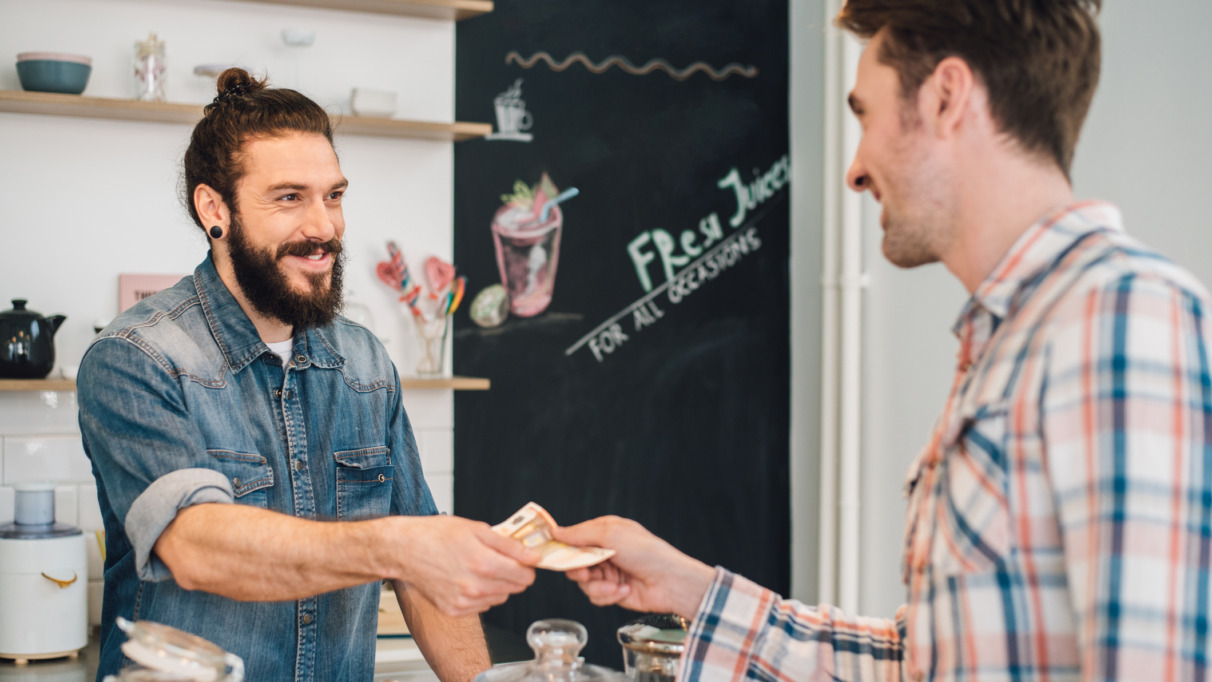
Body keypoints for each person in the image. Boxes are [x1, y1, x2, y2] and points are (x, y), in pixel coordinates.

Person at [555, 1, 1212, 680]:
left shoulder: (1125, 317)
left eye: (864, 115)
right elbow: (920, 663)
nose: (855, 169)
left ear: (947, 97)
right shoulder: (1010, 343)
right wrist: (688, 590)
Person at [77, 68, 539, 682]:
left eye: (334, 195)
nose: (324, 228)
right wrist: (394, 544)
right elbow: (194, 546)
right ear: (215, 209)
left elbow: (420, 571)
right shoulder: (137, 358)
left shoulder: (366, 366)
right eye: (290, 197)